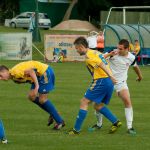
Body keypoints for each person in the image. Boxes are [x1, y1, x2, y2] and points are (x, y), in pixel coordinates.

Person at [67, 37, 122, 135]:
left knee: (84, 102)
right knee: (97, 105)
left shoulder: (89, 57)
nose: (77, 50)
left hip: (101, 80)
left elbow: (101, 64)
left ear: (82, 47)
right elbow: (101, 59)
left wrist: (112, 76)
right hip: (108, 82)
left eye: (77, 48)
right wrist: (109, 54)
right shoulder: (96, 52)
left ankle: (76, 129)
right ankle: (116, 122)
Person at [90, 39, 142, 135]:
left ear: (127, 49)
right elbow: (98, 59)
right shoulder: (113, 52)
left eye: (120, 48)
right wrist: (110, 54)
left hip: (121, 83)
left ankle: (130, 127)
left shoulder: (131, 57)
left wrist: (140, 76)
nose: (118, 49)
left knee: (127, 101)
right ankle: (98, 124)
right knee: (98, 103)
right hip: (107, 81)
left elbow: (135, 66)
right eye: (118, 47)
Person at [0, 61, 65, 130]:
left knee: (42, 100)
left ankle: (59, 121)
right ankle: (53, 113)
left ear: (5, 71)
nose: (0, 78)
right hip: (38, 76)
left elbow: (31, 72)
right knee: (31, 96)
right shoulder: (14, 76)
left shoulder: (16, 72)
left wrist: (37, 87)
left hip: (44, 72)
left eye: (0, 75)